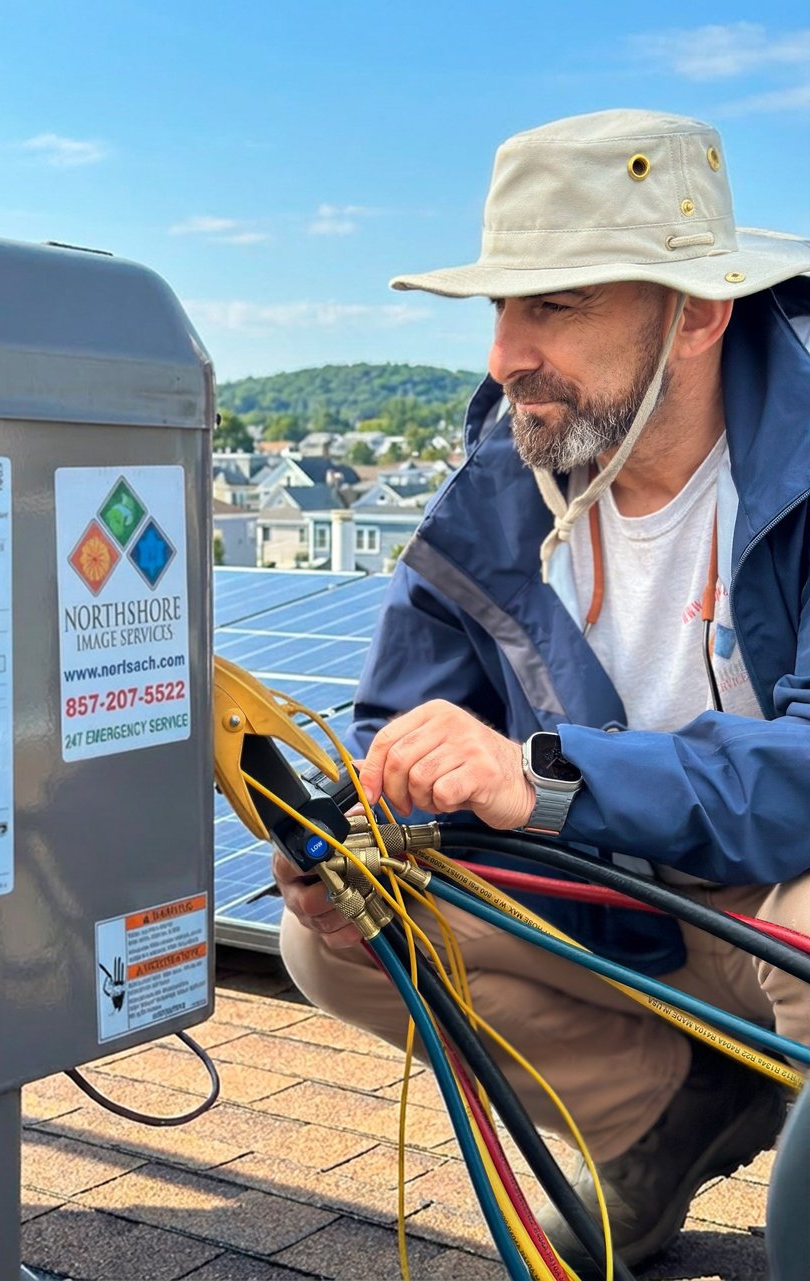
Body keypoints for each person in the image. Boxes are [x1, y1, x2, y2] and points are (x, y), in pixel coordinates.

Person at [273, 109, 810, 1277]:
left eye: (554, 305)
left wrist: (539, 780)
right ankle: (665, 1118)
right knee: (343, 934)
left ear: (699, 311)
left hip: (780, 894)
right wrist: (365, 824)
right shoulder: (499, 486)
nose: (504, 353)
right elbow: (396, 727)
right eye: (499, 310)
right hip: (621, 904)